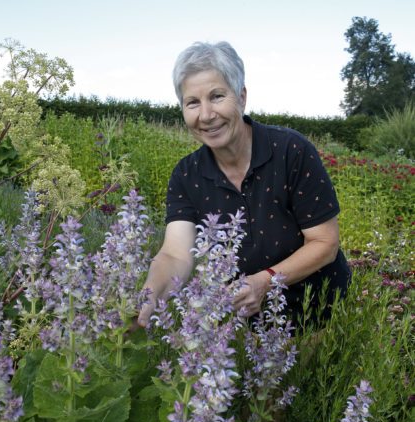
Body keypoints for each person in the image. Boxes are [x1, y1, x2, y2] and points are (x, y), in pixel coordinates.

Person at [137, 41, 351, 328]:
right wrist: (149, 298)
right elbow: (175, 254)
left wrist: (266, 281)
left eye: (216, 96)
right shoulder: (186, 175)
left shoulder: (291, 151)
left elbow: (325, 243)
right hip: (246, 329)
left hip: (321, 313)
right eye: (192, 102)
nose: (206, 115)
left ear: (241, 97)